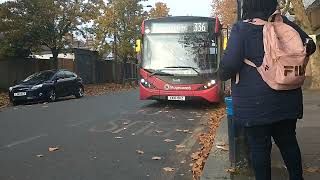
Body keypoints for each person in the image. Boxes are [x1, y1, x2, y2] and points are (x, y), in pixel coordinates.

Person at [218, 0, 317, 180]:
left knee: (260, 147)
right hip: (289, 98)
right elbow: (310, 46)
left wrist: (220, 74)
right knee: (288, 142)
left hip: (256, 104)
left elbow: (229, 66)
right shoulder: (287, 24)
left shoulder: (242, 29)